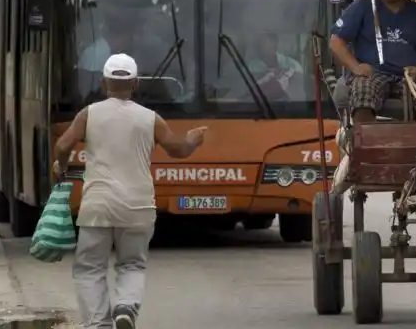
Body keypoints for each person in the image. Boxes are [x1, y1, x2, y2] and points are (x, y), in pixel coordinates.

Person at [53, 53, 208, 329]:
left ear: (103, 83)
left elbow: (63, 146)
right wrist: (192, 140)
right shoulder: (150, 118)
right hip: (138, 207)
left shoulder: (88, 114)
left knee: (90, 269)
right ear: (136, 84)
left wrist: (61, 168)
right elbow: (178, 150)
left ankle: (98, 324)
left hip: (98, 206)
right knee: (132, 265)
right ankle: (126, 307)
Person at [246, 33, 305, 101]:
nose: (260, 45)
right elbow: (249, 94)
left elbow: (299, 96)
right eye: (259, 42)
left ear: (274, 43)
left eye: (263, 42)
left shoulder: (293, 65)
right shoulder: (253, 66)